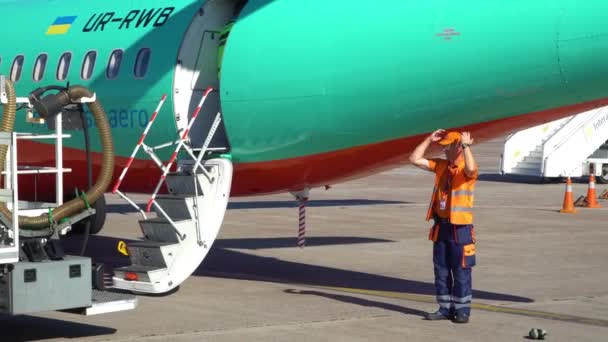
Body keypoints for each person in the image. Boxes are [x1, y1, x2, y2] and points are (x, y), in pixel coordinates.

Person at [409, 129, 478, 324]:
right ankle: (444, 308)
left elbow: (472, 169)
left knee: (461, 270)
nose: (444, 149)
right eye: (443, 146)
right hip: (441, 227)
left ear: (457, 146)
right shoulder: (441, 166)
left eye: (448, 145)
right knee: (441, 270)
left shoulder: (466, 168)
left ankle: (462, 310)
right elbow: (414, 159)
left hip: (460, 228)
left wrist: (466, 146)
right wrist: (428, 139)